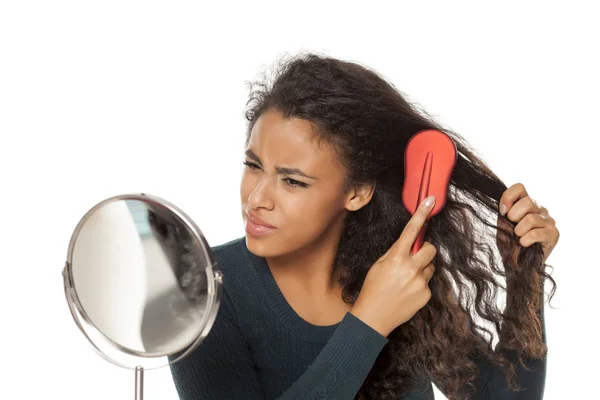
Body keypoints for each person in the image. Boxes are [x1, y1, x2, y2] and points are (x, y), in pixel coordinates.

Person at [169, 53, 559, 400]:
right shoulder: (200, 294)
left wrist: (525, 274)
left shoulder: (398, 273)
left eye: (292, 181)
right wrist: (370, 321)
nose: (257, 199)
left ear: (357, 193)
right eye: (254, 166)